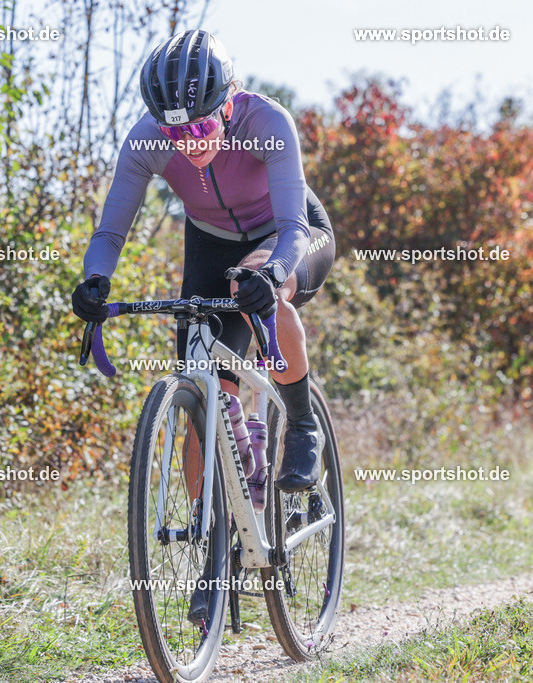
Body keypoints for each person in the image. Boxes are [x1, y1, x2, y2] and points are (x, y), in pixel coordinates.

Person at [71, 29, 336, 619]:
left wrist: (273, 274)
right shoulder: (147, 141)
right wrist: (95, 280)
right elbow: (112, 229)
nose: (187, 143)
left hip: (289, 234)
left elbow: (294, 226)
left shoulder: (268, 122)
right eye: (174, 131)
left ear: (230, 100)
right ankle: (218, 542)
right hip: (210, 245)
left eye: (201, 127)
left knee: (262, 288)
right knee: (201, 394)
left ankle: (300, 424)